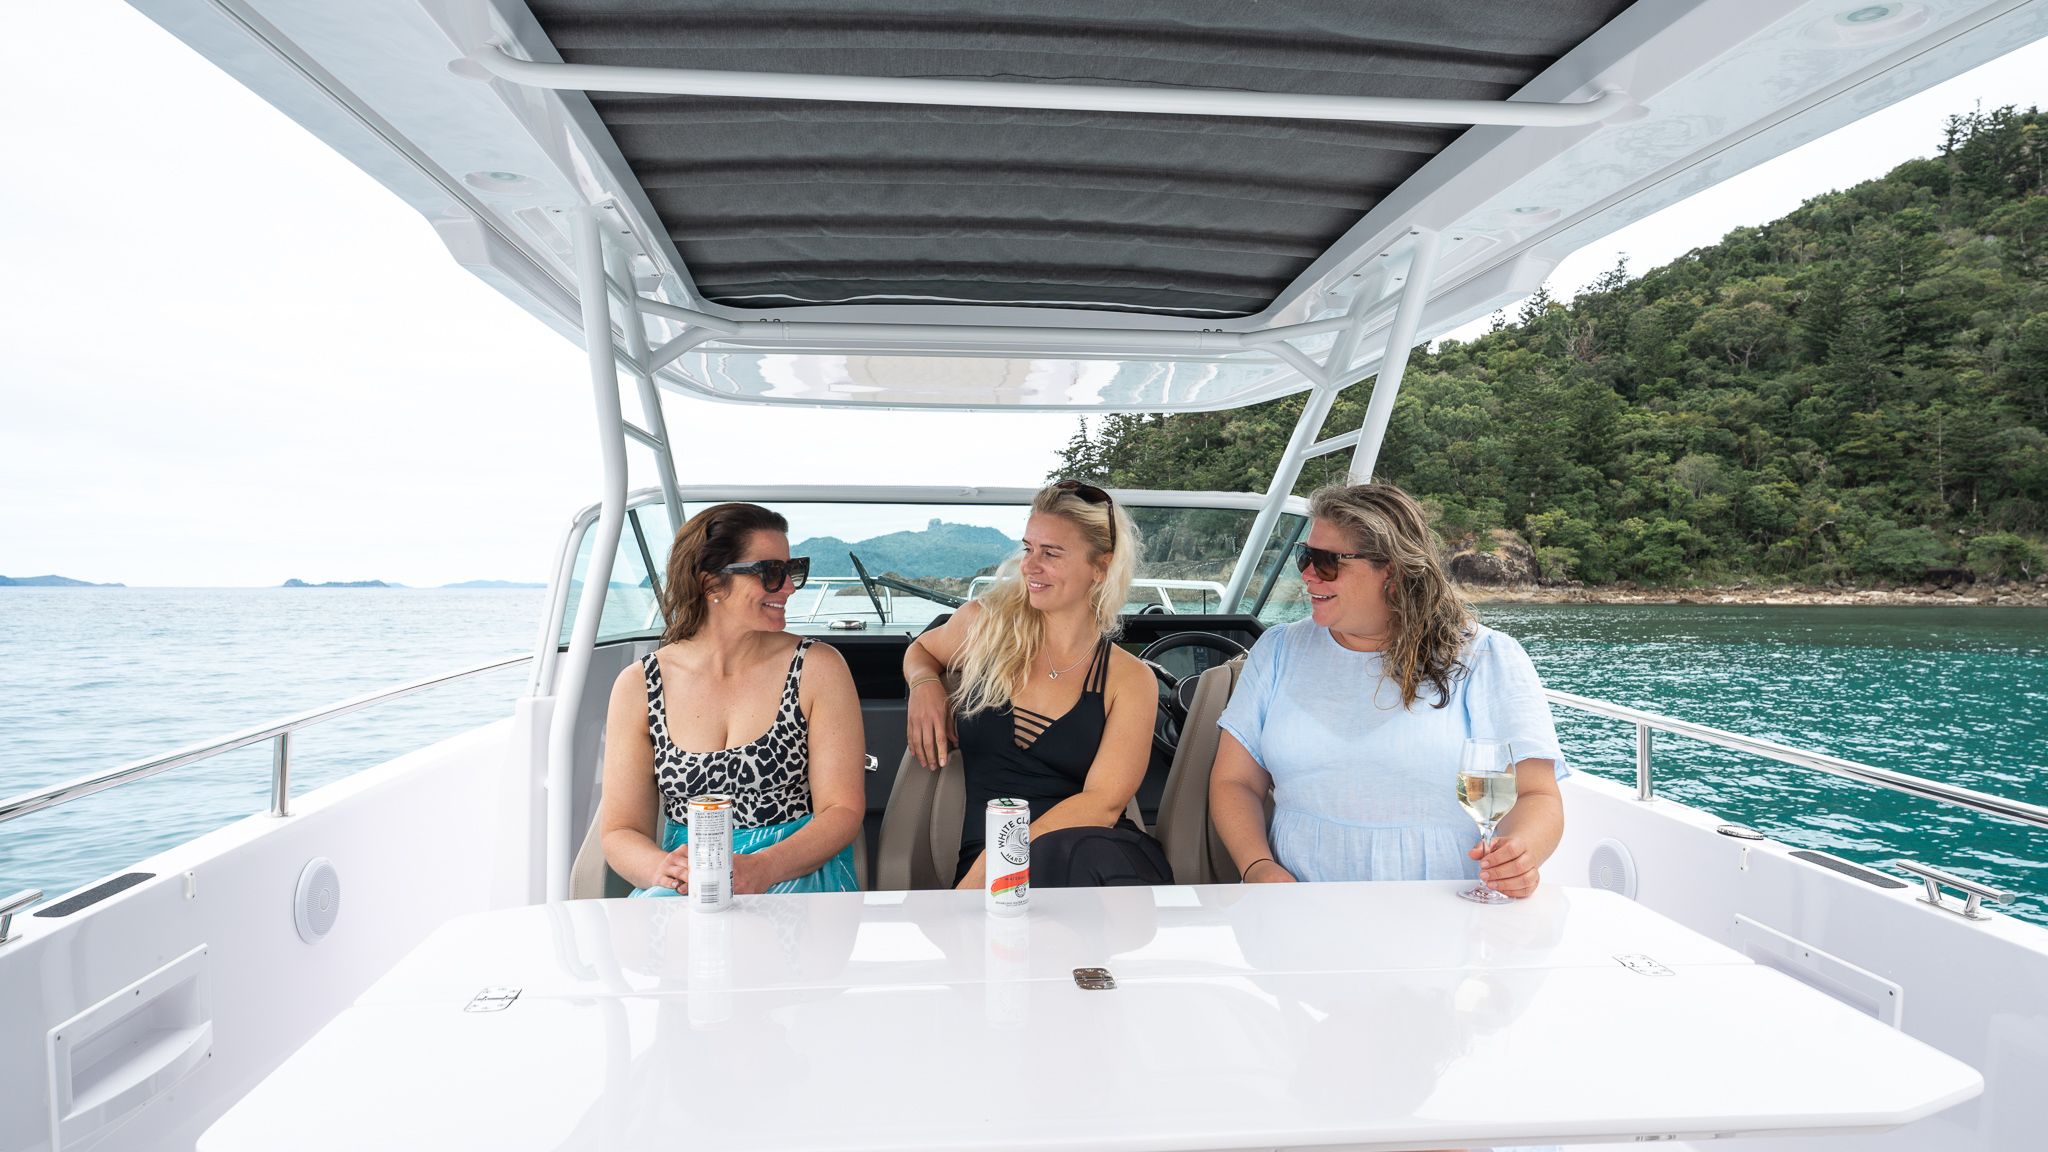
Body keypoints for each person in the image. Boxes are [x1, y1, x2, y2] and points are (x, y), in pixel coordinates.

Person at [1211, 483, 1567, 895]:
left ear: (1393, 572)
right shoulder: (1277, 650)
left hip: (1442, 914)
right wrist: (1258, 867)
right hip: (1297, 907)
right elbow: (1234, 781)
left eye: (1327, 562)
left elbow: (1536, 794)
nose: (1308, 573)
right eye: (1304, 556)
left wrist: (1520, 854)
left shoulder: (1486, 656)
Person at [903, 481, 1170, 889]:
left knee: (1066, 860)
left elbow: (1103, 805)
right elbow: (922, 650)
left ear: (1100, 567)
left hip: (1091, 856)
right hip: (995, 865)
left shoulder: (1130, 679)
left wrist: (996, 861)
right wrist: (925, 685)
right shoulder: (986, 625)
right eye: (1029, 548)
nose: (1030, 565)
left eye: (1052, 553)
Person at [600, 502, 864, 896]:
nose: (789, 587)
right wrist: (662, 868)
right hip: (688, 883)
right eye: (772, 573)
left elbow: (841, 811)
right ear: (710, 583)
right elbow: (621, 830)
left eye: (792, 571)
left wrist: (762, 868)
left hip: (794, 869)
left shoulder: (818, 668)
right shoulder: (639, 685)